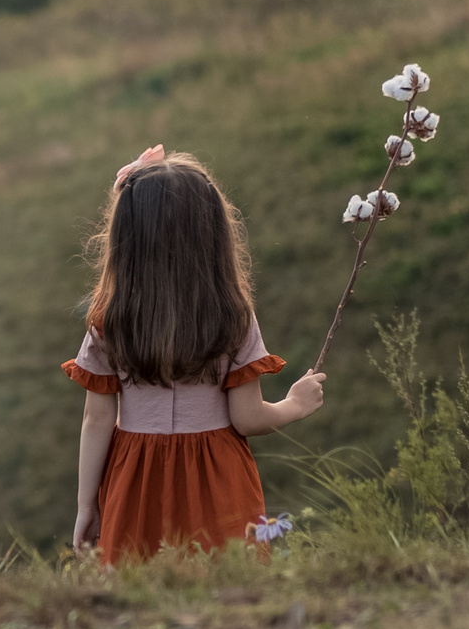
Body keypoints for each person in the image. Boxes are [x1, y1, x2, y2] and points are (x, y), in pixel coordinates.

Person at [65, 145, 325, 560]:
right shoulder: (232, 315)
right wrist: (295, 404)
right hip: (217, 477)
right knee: (227, 588)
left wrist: (86, 506)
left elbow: (97, 418)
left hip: (136, 478)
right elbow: (247, 417)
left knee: (140, 588)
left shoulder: (109, 321)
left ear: (125, 240)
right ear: (213, 234)